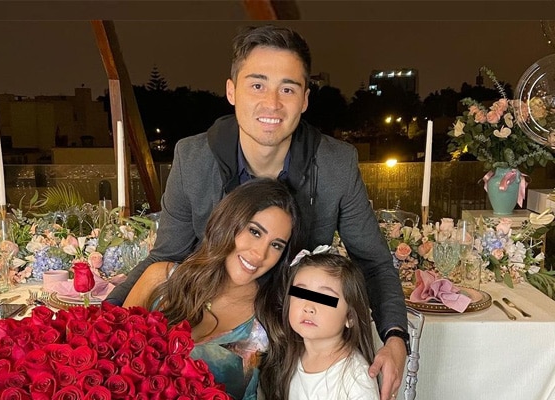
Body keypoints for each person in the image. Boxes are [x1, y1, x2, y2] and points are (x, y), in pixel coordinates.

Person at [107, 24, 408, 400]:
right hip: (209, 315)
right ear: (232, 91)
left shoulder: (336, 164)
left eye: (288, 89)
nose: (272, 103)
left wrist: (395, 337)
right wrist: (100, 322)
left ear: (305, 100)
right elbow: (165, 255)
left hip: (286, 329)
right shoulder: (193, 157)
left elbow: (373, 262)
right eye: (257, 85)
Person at [123, 178, 300, 400]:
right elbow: (109, 353)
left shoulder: (270, 317)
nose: (259, 254)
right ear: (228, 222)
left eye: (276, 245)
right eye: (255, 232)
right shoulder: (159, 280)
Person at [261, 251, 380, 400]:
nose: (309, 307)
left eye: (324, 298)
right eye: (300, 293)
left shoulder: (357, 378)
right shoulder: (290, 357)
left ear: (350, 317)